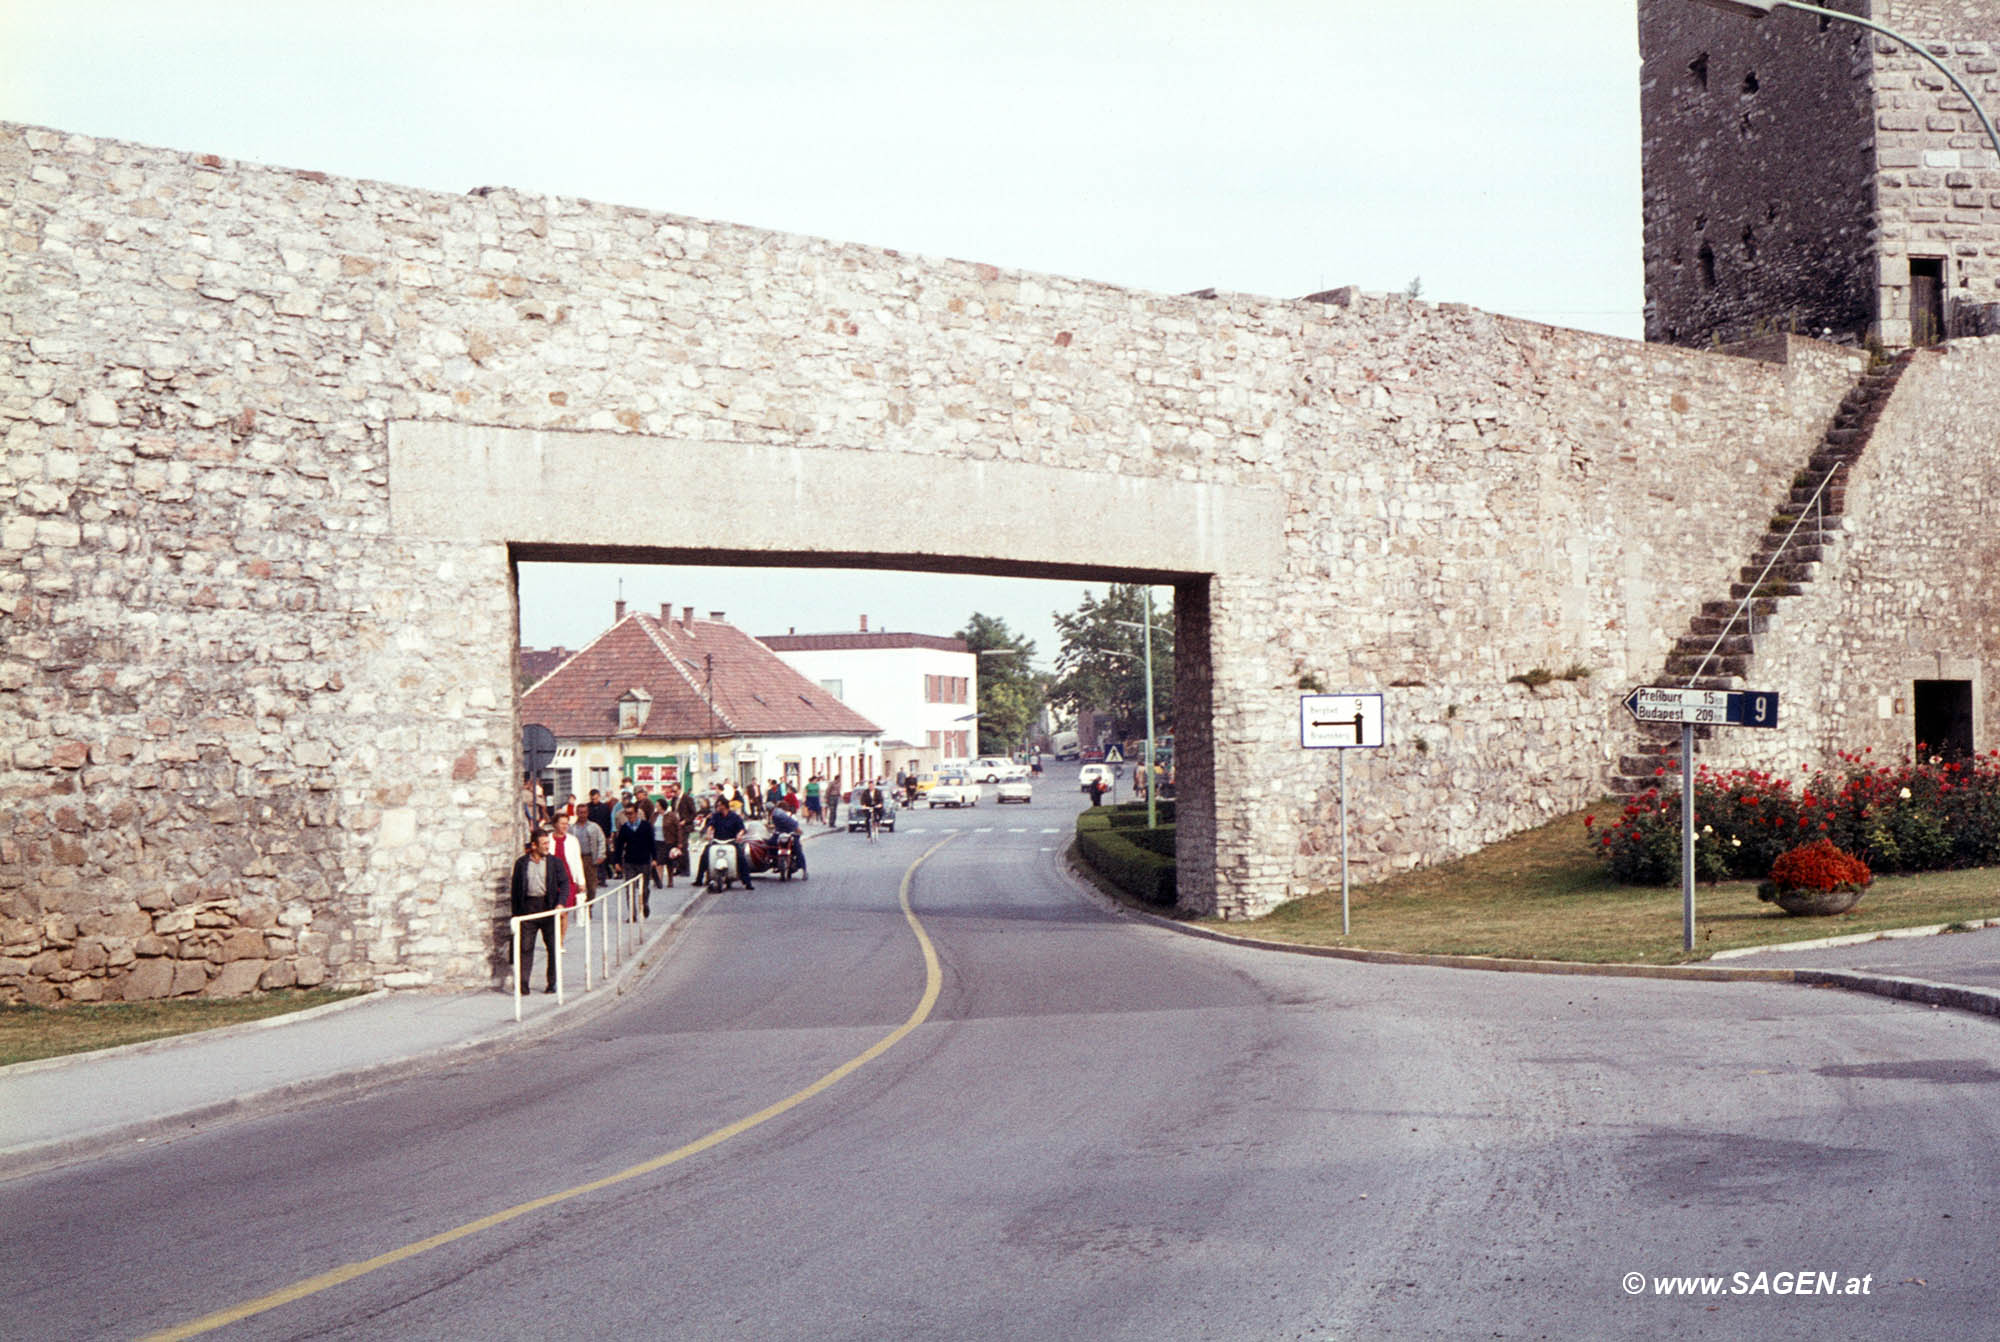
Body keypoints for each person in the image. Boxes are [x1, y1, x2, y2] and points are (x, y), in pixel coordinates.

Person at [509, 828, 571, 994]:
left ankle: (552, 983)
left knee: (552, 947)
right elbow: (515, 891)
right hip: (528, 910)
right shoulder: (522, 863)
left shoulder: (555, 863)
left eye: (548, 843)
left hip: (548, 908)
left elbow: (564, 884)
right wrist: (516, 915)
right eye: (544, 843)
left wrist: (560, 904)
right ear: (534, 845)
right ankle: (523, 985)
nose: (547, 846)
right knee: (525, 948)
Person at [700, 797, 755, 889]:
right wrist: (709, 834)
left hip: (731, 842)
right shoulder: (716, 816)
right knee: (705, 855)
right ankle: (700, 879)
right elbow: (711, 826)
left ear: (724, 806)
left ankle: (747, 882)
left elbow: (742, 829)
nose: (718, 807)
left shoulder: (734, 817)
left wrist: (739, 835)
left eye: (719, 805)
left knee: (741, 858)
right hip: (717, 841)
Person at [550, 814, 588, 941]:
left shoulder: (572, 841)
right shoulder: (548, 839)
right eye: (562, 823)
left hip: (568, 880)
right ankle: (552, 939)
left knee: (563, 912)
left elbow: (578, 861)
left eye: (567, 823)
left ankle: (560, 941)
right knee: (552, 912)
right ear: (555, 824)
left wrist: (581, 881)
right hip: (551, 881)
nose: (565, 826)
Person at [616, 803, 655, 916]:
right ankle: (632, 914)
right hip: (629, 862)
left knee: (644, 889)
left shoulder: (646, 826)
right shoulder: (624, 828)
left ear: (636, 813)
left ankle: (645, 904)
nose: (630, 816)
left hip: (644, 861)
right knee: (630, 889)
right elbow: (619, 846)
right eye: (627, 814)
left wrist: (654, 858)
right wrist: (617, 862)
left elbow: (651, 843)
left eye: (631, 813)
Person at [765, 802, 806, 877]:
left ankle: (804, 869)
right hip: (783, 832)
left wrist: (797, 830)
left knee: (797, 850)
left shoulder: (777, 814)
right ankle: (775, 862)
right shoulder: (777, 814)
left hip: (790, 833)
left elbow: (792, 824)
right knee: (771, 843)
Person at [858, 777, 887, 842]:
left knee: (881, 812)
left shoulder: (878, 792)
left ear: (874, 786)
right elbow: (862, 800)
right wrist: (863, 805)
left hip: (876, 806)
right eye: (870, 786)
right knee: (867, 819)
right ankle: (868, 832)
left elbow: (881, 799)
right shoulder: (865, 792)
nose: (871, 787)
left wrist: (880, 804)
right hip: (868, 806)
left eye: (872, 785)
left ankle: (878, 822)